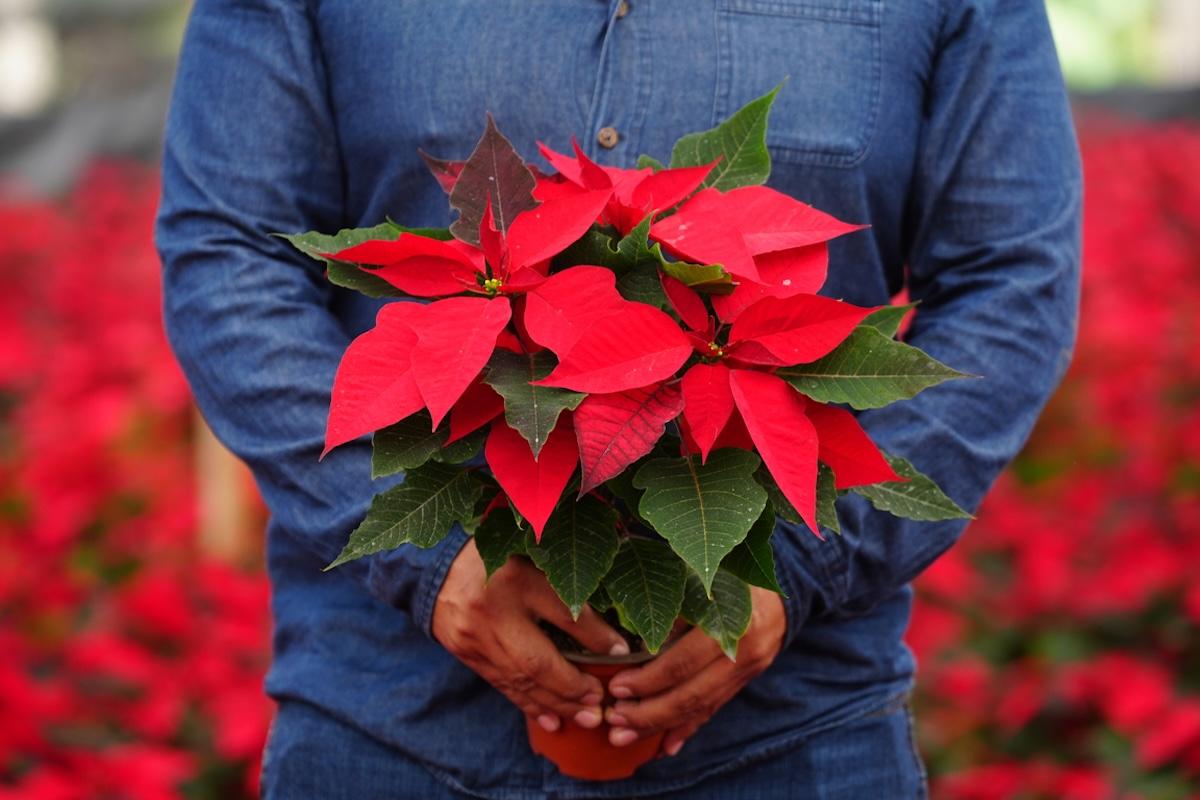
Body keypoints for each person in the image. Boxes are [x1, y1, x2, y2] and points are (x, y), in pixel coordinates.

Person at [156, 0, 1081, 797]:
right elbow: (230, 255)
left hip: (795, 733)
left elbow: (1012, 279)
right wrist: (434, 561)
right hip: (387, 722)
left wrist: (795, 570)